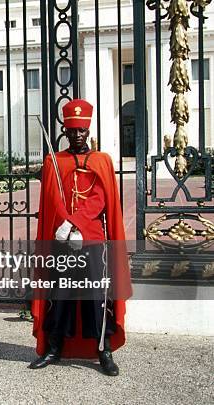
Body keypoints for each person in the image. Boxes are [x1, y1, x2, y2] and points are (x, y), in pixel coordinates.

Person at [29, 98, 130, 376]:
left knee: (96, 296)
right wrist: (65, 225)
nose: (76, 136)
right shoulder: (54, 160)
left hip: (93, 240)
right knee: (60, 294)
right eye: (71, 131)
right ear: (65, 131)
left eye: (81, 131)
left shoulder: (102, 161)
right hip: (62, 241)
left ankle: (103, 350)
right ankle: (54, 347)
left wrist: (76, 223)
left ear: (88, 131)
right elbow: (52, 199)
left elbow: (100, 199)